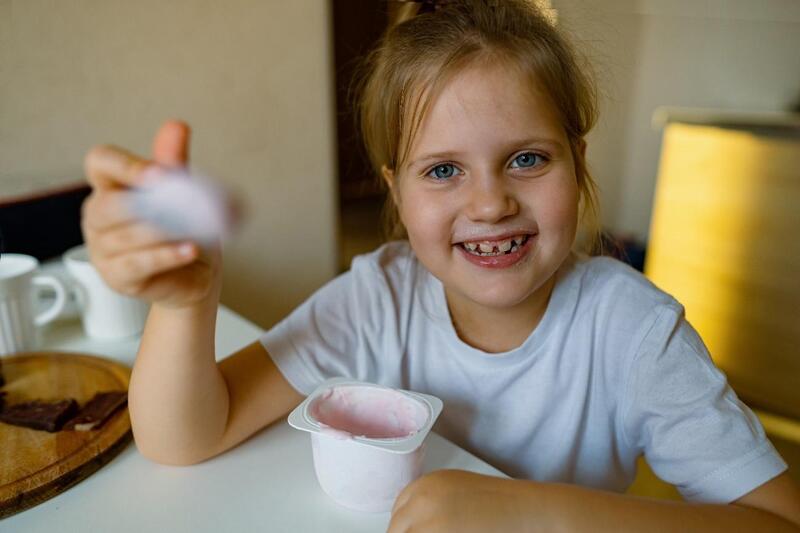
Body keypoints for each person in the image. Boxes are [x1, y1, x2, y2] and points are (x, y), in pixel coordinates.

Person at [81, 0, 800, 530]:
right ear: (395, 190)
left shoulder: (637, 333)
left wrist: (529, 514)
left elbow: (775, 518)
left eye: (526, 158)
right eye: (444, 170)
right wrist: (185, 302)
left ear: (577, 163)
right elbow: (186, 437)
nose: (490, 203)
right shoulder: (377, 298)